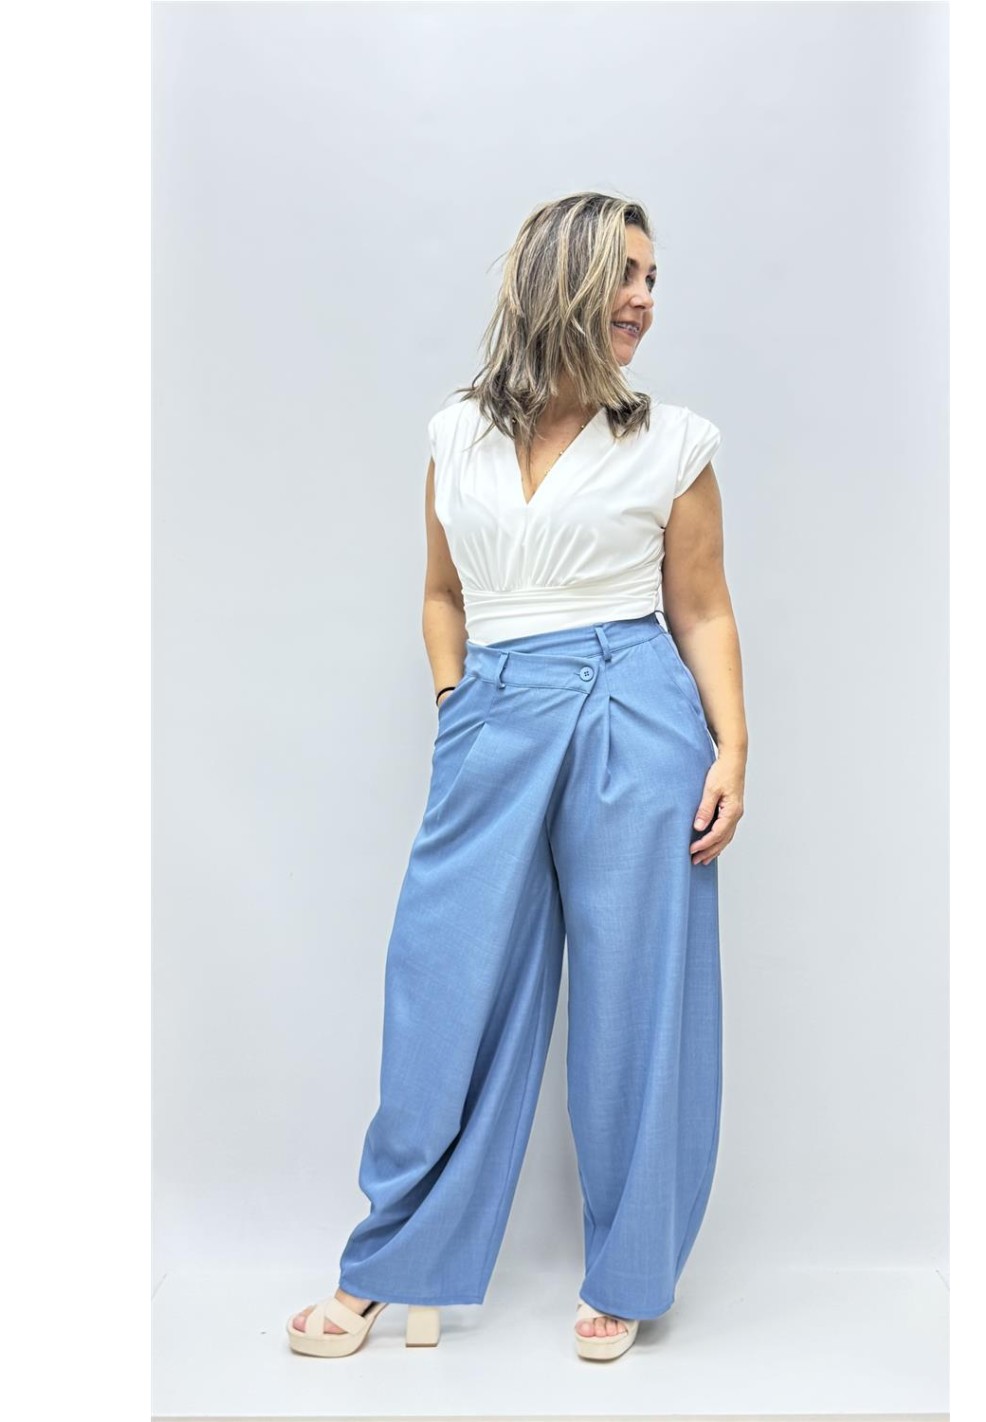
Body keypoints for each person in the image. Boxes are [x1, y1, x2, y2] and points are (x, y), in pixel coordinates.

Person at [287, 192, 748, 1364]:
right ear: (560, 283)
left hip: (634, 709)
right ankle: (394, 1261)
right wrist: (456, 704)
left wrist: (732, 749)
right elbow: (440, 594)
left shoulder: (672, 441)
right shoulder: (455, 434)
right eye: (624, 274)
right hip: (493, 710)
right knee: (441, 982)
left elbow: (700, 609)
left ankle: (627, 1270)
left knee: (636, 996)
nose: (643, 299)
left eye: (652, 277)